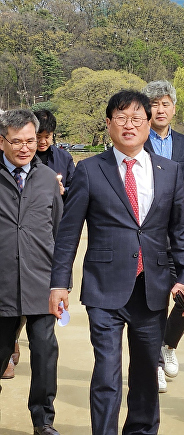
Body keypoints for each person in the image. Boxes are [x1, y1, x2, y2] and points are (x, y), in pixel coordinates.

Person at [49, 90, 184, 435]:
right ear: (108, 124)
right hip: (104, 287)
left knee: (146, 372)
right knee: (107, 372)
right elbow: (68, 234)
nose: (129, 126)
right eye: (121, 118)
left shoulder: (170, 171)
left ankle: (142, 430)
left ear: (149, 123)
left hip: (152, 287)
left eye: (137, 119)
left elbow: (181, 233)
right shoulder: (88, 170)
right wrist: (59, 284)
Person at [0, 109, 63, 435]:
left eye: (30, 141)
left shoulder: (46, 179)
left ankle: (43, 421)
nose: (24, 148)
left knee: (44, 354)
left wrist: (59, 283)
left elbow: (57, 231)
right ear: (2, 141)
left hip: (40, 283)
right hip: (2, 286)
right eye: (16, 142)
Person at [142, 80, 184, 392]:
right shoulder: (138, 142)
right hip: (149, 233)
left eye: (165, 104)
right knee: (154, 301)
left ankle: (168, 344)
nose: (160, 109)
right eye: (154, 104)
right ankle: (153, 363)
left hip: (180, 230)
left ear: (173, 108)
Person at [33, 109, 75, 198]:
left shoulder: (64, 157)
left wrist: (64, 191)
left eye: (47, 137)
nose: (42, 141)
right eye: (38, 137)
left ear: (53, 135)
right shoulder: (23, 156)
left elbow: (75, 187)